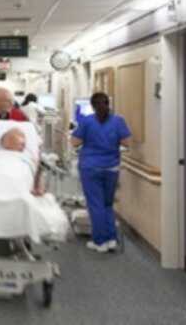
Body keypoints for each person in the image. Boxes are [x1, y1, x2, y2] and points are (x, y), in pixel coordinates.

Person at [71, 92, 131, 253]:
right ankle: (111, 239)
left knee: (95, 205)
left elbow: (75, 142)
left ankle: (100, 242)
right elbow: (126, 142)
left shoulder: (86, 121)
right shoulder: (119, 121)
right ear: (108, 104)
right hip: (111, 168)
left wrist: (88, 141)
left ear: (92, 106)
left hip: (90, 168)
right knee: (107, 204)